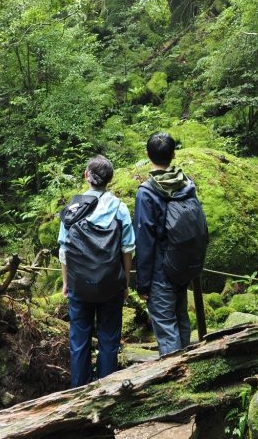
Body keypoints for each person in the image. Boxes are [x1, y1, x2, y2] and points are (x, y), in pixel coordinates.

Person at [58, 155, 135, 387]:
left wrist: (65, 283)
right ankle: (108, 390)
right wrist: (125, 283)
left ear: (86, 176)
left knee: (79, 340)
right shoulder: (119, 208)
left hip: (79, 285)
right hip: (111, 284)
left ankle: (79, 392)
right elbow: (128, 248)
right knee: (109, 339)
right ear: (109, 180)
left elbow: (64, 251)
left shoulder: (72, 209)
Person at [133, 132, 208, 357]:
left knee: (166, 328)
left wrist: (142, 283)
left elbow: (145, 240)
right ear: (173, 154)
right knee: (182, 319)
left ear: (148, 155)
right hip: (182, 265)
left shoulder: (147, 193)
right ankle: (188, 369)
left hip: (160, 272)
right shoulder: (186, 183)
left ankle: (175, 381)